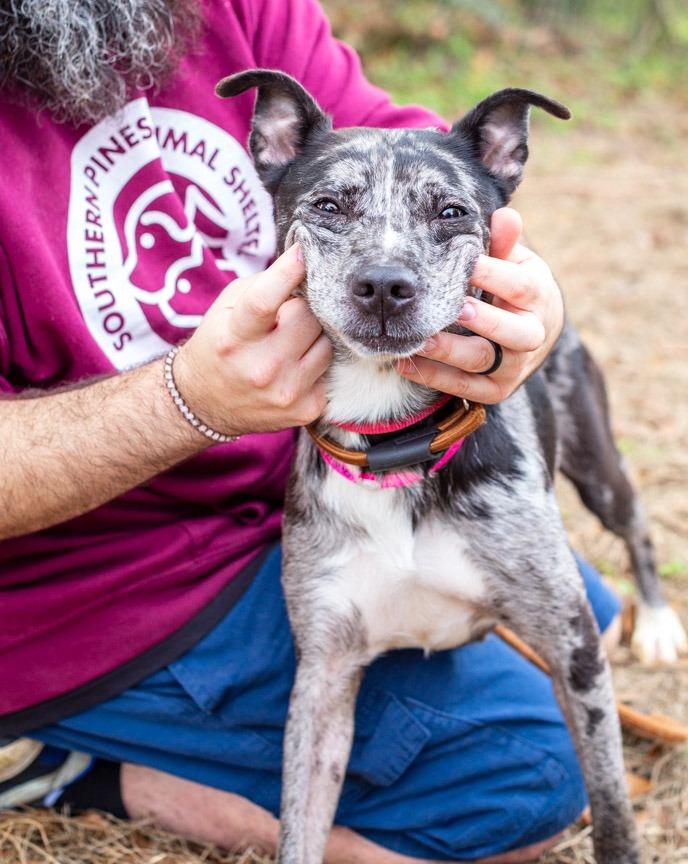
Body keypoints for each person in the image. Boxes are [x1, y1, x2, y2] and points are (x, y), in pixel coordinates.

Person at [0, 1, 622, 860]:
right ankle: (66, 766)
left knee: (596, 620)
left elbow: (411, 155)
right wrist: (188, 400)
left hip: (338, 474)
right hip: (108, 581)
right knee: (527, 780)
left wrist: (532, 307)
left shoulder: (229, 8)